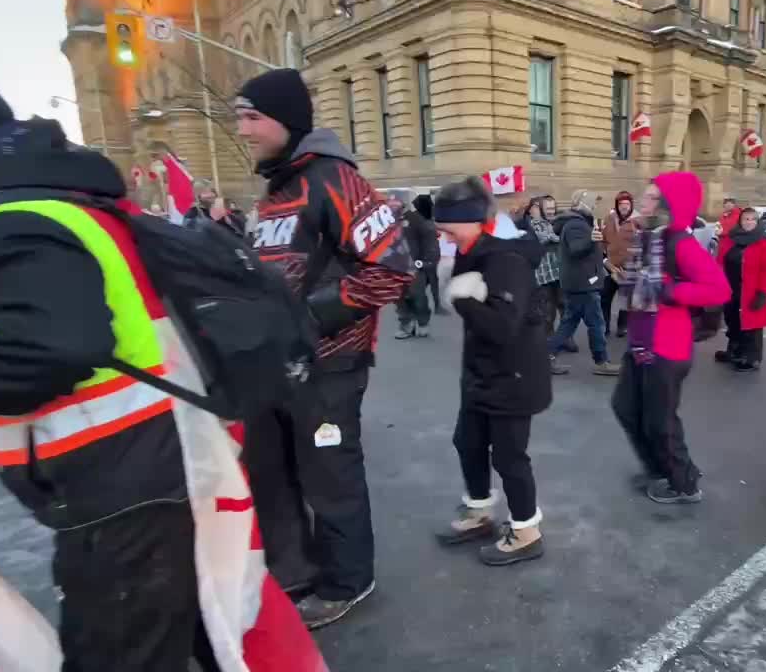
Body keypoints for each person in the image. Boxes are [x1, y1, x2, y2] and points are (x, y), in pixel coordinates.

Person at [0, 48, 222, 669]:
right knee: (187, 633)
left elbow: (58, 344)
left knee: (123, 654)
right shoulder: (32, 202)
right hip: (135, 469)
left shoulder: (9, 215)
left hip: (118, 482)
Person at [236, 67, 411, 628]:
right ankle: (294, 574)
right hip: (272, 368)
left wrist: (305, 317)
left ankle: (347, 581)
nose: (243, 130)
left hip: (329, 365)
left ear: (285, 120)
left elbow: (392, 269)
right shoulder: (275, 190)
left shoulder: (335, 179)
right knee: (272, 472)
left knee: (329, 478)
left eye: (251, 117)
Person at [429, 177, 552, 565]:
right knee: (467, 442)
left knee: (510, 457)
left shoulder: (505, 259)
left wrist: (464, 300)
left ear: (472, 221)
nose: (446, 239)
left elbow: (502, 327)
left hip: (514, 377)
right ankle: (480, 511)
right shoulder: (474, 251)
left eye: (449, 230)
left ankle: (526, 531)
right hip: (482, 375)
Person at [613, 172, 730, 504]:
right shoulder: (649, 239)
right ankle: (659, 468)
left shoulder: (681, 243)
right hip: (641, 341)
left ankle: (684, 482)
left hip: (667, 347)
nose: (642, 202)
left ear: (666, 206)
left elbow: (719, 289)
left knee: (660, 421)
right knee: (624, 407)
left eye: (650, 198)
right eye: (644, 196)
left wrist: (670, 290)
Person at [547, 190, 620, 376]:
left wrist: (603, 262)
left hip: (579, 282)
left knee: (569, 322)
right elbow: (576, 250)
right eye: (593, 202)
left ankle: (546, 356)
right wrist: (591, 240)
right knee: (596, 323)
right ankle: (601, 361)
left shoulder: (576, 223)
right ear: (583, 203)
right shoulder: (576, 225)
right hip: (583, 284)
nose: (595, 205)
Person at [714, 207, 766, 371]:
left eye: (752, 219)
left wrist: (762, 294)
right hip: (730, 289)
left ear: (757, 222)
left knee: (751, 325)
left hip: (750, 292)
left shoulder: (765, 244)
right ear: (740, 221)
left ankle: (751, 357)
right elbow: (720, 262)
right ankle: (734, 351)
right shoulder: (730, 240)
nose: (749, 222)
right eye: (745, 219)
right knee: (732, 320)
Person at [518, 196, 567, 343]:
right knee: (548, 310)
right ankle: (549, 341)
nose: (551, 212)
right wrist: (554, 237)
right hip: (543, 274)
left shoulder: (558, 222)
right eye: (548, 209)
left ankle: (566, 338)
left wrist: (555, 237)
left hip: (560, 272)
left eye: (553, 208)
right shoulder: (534, 225)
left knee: (564, 306)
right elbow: (543, 239)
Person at [396, 194, 440, 339]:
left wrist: (425, 261)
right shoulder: (389, 222)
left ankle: (422, 323)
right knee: (399, 297)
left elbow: (429, 240)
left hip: (414, 266)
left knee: (417, 296)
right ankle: (406, 324)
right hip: (395, 266)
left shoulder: (417, 220)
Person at [601, 190, 638, 338]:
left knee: (625, 300)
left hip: (628, 268)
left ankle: (622, 326)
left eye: (627, 203)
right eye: (621, 203)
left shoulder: (637, 221)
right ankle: (604, 326)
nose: (624, 206)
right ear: (617, 205)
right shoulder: (609, 219)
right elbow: (601, 242)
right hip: (610, 267)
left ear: (631, 205)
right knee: (605, 297)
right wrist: (605, 261)